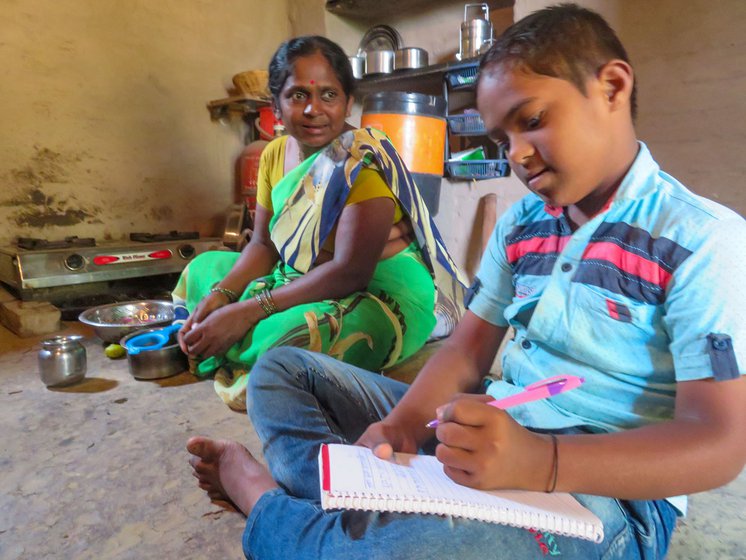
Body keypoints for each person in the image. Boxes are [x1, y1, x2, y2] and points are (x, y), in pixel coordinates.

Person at [187, 4, 746, 558]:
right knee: (282, 371)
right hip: (494, 432)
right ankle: (355, 515)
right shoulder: (523, 227)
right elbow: (465, 352)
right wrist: (404, 426)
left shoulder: (702, 240)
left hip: (611, 493)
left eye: (531, 121)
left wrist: (540, 461)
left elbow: (719, 444)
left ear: (612, 88)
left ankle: (266, 500)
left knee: (380, 553)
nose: (518, 156)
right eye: (502, 140)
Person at [173, 36, 465, 410]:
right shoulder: (274, 155)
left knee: (295, 337)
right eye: (297, 96)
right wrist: (223, 295)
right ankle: (226, 338)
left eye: (329, 95)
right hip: (293, 277)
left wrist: (249, 309)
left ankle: (224, 342)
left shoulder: (359, 161)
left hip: (374, 291)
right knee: (203, 269)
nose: (314, 109)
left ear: (348, 102)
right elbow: (262, 245)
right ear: (276, 106)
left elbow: (350, 272)